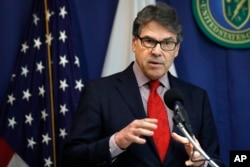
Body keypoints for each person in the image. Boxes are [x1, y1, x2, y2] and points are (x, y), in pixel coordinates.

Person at [63, 2, 224, 167]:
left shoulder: (197, 97)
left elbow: (216, 161)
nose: (157, 51)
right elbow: (72, 158)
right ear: (134, 43)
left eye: (167, 43)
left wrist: (202, 163)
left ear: (176, 49)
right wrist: (117, 141)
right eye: (148, 40)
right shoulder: (99, 92)